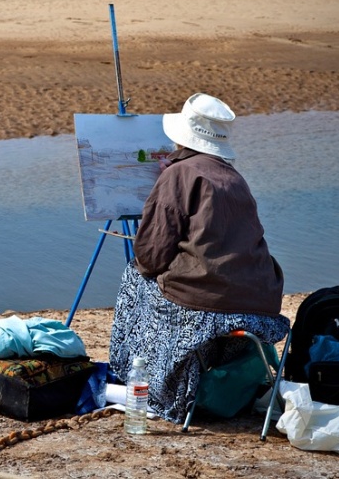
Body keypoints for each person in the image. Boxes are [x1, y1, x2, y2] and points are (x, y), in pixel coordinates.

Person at [109, 93, 290, 423]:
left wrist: (163, 188)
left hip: (210, 310)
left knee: (135, 278)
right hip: (261, 307)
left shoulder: (177, 175)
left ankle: (145, 383)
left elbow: (149, 257)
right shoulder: (233, 177)